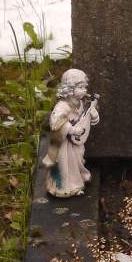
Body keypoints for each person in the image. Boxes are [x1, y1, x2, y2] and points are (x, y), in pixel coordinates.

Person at [43, 68, 100, 198]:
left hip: (76, 141)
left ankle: (77, 182)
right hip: (63, 143)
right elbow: (55, 121)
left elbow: (87, 120)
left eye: (85, 87)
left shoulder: (82, 102)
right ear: (69, 88)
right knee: (64, 163)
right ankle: (63, 187)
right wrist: (72, 129)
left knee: (78, 158)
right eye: (80, 87)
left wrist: (94, 115)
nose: (84, 90)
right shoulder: (62, 105)